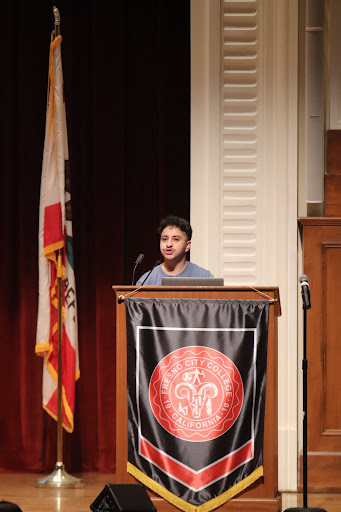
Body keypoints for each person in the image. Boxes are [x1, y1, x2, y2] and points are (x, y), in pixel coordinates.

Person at [136, 215, 213, 285]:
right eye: (164, 239)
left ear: (187, 245)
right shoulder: (146, 281)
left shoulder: (204, 277)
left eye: (176, 239)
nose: (168, 244)